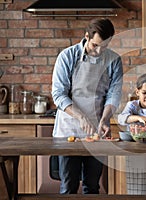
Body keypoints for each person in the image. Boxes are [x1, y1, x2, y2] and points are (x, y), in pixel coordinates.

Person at [51, 18, 123, 194]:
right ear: (86, 37)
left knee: (92, 186)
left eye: (104, 47)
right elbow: (59, 94)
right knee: (68, 186)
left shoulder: (114, 60)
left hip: (97, 131)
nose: (98, 51)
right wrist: (81, 117)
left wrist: (106, 119)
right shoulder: (67, 56)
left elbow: (113, 94)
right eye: (95, 46)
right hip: (69, 130)